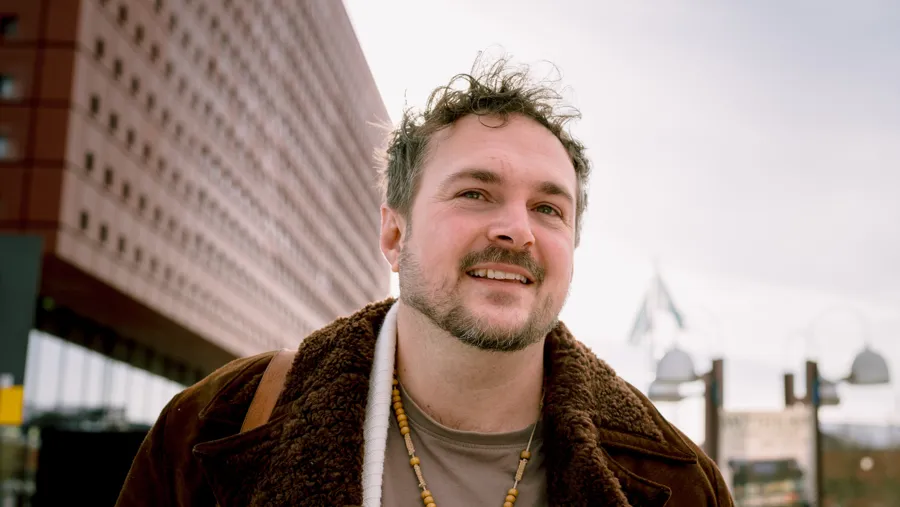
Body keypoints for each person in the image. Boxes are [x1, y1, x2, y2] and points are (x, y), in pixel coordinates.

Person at [116, 56, 734, 507]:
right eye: (474, 193)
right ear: (394, 235)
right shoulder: (219, 422)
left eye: (549, 208)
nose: (517, 231)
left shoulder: (680, 481)